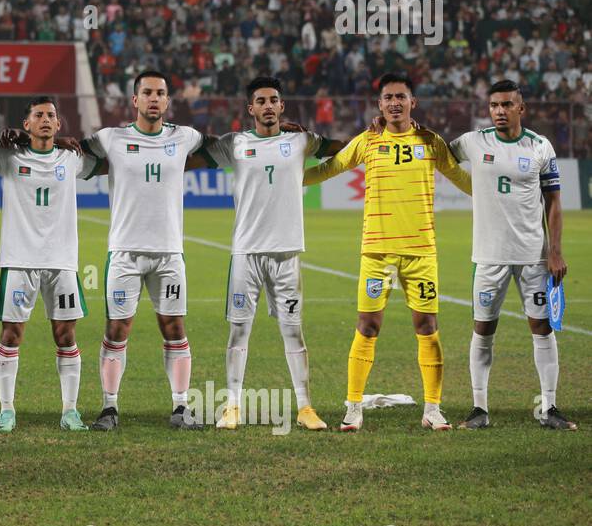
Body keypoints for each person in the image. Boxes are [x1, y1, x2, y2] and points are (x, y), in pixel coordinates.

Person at [304, 72, 472, 432]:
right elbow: (331, 167)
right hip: (377, 252)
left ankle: (432, 408)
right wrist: (286, 176)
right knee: (367, 326)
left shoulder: (431, 141)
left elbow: (459, 177)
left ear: (413, 102)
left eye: (401, 97)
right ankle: (353, 407)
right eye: (388, 98)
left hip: (421, 252)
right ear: (379, 105)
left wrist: (500, 196)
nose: (395, 103)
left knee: (427, 327)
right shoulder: (368, 140)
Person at [189, 77, 343, 431]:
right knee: (239, 331)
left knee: (293, 330)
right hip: (246, 254)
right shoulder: (235, 144)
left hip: (287, 254)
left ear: (282, 105)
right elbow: (193, 157)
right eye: (262, 101)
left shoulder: (301, 140)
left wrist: (371, 138)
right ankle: (232, 406)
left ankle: (305, 408)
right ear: (251, 109)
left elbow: (338, 148)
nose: (269, 106)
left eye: (274, 99)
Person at [82, 70, 209, 431]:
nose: (154, 99)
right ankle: (109, 408)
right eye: (147, 93)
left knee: (174, 326)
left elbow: (219, 147)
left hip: (169, 253)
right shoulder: (111, 138)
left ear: (168, 101)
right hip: (124, 251)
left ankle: (181, 407)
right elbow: (73, 150)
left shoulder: (184, 137)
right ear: (134, 100)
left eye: (161, 93)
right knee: (117, 328)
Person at [449, 80, 574, 430]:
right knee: (483, 328)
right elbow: (437, 151)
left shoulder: (539, 146)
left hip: (533, 256)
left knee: (542, 327)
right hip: (489, 256)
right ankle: (479, 408)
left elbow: (554, 202)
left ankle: (549, 408)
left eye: (506, 105)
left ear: (522, 108)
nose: (499, 111)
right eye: (493, 105)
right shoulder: (474, 141)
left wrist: (555, 251)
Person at [0, 97, 104, 432]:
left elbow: (111, 160)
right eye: (38, 115)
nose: (45, 120)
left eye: (51, 115)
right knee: (11, 334)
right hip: (18, 260)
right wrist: (1, 136)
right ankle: (6, 410)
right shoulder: (8, 157)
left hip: (61, 261)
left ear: (59, 123)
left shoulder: (71, 157)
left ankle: (70, 411)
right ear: (26, 124)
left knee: (65, 334)